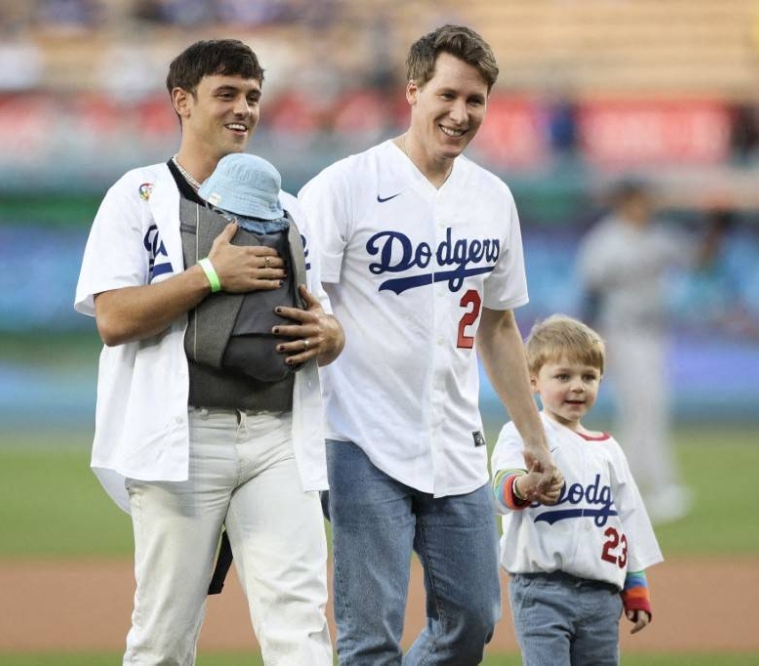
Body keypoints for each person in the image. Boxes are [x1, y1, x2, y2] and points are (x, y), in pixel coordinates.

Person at [298, 24, 562, 665]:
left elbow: (498, 324)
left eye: (475, 101)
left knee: (472, 619)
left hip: (455, 440)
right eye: (447, 95)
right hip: (358, 438)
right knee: (369, 638)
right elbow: (301, 303)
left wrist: (533, 435)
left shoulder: (492, 198)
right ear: (412, 91)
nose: (460, 113)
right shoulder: (344, 186)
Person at [73, 39, 342, 666]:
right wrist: (210, 276)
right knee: (163, 637)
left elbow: (321, 320)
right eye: (226, 94)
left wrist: (333, 337)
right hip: (182, 439)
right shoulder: (136, 195)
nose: (243, 108)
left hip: (278, 436)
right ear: (182, 101)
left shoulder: (288, 208)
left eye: (252, 95)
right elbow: (112, 319)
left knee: (300, 628)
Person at [491, 315, 663, 665]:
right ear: (533, 381)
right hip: (541, 590)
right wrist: (528, 485)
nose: (577, 387)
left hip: (602, 597)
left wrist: (636, 586)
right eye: (563, 376)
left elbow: (625, 524)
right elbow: (500, 491)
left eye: (589, 376)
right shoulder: (523, 433)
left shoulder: (609, 450)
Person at [577, 179, 723, 524]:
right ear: (624, 202)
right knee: (645, 408)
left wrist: (717, 227)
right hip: (620, 332)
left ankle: (617, 490)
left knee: (642, 412)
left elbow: (699, 260)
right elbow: (590, 294)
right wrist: (595, 345)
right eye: (640, 200)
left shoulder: (659, 236)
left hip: (654, 332)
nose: (647, 206)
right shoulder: (605, 241)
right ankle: (660, 487)